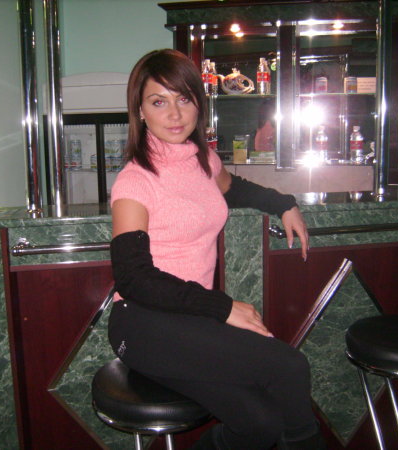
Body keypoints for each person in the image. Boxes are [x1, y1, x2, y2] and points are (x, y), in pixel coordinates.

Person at [108, 49, 324, 450]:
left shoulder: (202, 159)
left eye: (184, 99)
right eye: (159, 102)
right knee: (289, 367)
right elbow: (133, 279)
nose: (175, 114)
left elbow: (234, 188)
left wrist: (282, 203)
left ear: (198, 103)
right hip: (142, 325)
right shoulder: (135, 182)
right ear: (140, 111)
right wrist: (222, 308)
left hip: (190, 320)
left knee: (260, 423)